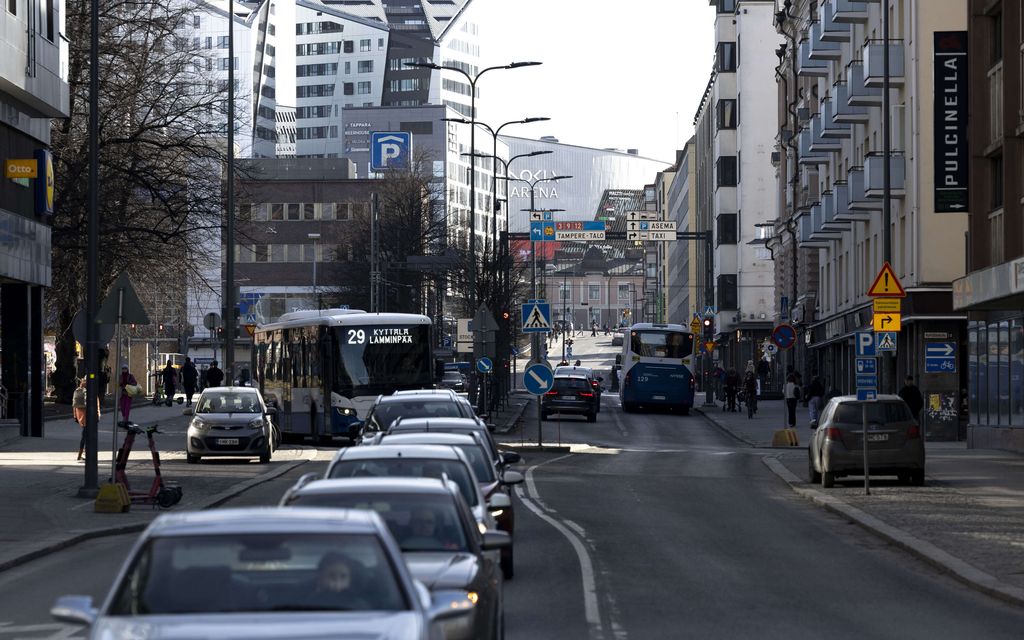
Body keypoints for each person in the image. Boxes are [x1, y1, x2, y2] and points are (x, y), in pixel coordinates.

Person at [72, 378, 99, 461]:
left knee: (84, 435)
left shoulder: (78, 390)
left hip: (80, 416)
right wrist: (97, 415)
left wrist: (75, 416)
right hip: (89, 416)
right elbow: (96, 404)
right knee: (87, 436)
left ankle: (80, 454)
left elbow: (74, 405)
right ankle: (85, 454)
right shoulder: (92, 391)